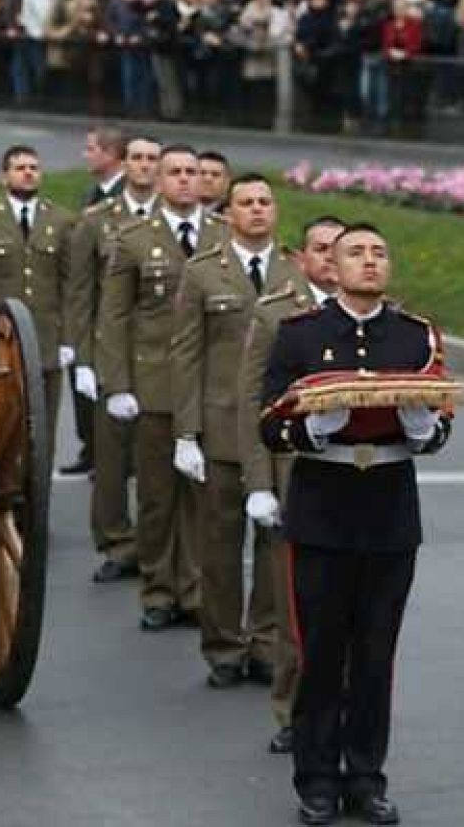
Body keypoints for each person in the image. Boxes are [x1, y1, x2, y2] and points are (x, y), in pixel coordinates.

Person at [259, 223, 452, 826]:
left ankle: (366, 777)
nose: (370, 262)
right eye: (355, 254)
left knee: (375, 655)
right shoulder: (300, 334)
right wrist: (316, 425)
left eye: (378, 253)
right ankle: (316, 779)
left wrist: (422, 422)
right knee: (321, 651)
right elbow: (270, 422)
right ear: (330, 268)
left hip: (390, 511)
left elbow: (439, 429)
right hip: (322, 507)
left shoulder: (415, 336)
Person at [170, 173, 300, 689]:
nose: (257, 211)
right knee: (221, 546)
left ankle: (266, 640)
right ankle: (223, 644)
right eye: (246, 203)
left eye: (265, 202)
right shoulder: (204, 273)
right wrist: (185, 431)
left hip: (276, 432)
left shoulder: (295, 272)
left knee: (275, 545)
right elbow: (186, 354)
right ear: (229, 214)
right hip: (221, 429)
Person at [98, 144, 227, 630]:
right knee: (156, 497)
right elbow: (114, 318)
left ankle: (193, 590)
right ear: (160, 181)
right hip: (153, 385)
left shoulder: (220, 234)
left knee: (201, 496)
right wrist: (118, 384)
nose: (184, 181)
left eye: (192, 173)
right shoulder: (133, 239)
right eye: (174, 172)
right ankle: (157, 590)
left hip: (208, 387)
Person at [238, 215, 345, 757]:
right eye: (320, 249)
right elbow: (255, 401)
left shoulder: (373, 317)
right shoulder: (277, 313)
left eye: (339, 250)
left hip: (352, 483)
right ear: (300, 258)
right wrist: (259, 481)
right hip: (292, 478)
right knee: (296, 613)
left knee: (348, 614)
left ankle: (343, 713)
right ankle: (292, 712)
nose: (330, 259)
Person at [65, 135, 161, 584]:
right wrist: (82, 358)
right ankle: (116, 542)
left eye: (152, 160)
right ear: (126, 165)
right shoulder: (97, 221)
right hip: (112, 350)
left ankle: (155, 542)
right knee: (112, 457)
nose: (145, 166)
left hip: (163, 354)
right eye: (138, 158)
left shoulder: (177, 222)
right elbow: (81, 294)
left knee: (158, 455)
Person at [0, 144, 74, 432]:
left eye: (33, 168)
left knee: (43, 425)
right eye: (20, 168)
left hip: (46, 338)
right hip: (1, 338)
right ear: (4, 177)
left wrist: (68, 339)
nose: (28, 174)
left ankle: (40, 479)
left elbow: (69, 284)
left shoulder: (60, 220)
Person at [63, 125, 127, 477]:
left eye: (91, 149)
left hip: (112, 307)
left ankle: (110, 456)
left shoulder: (119, 199)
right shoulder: (92, 194)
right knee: (84, 383)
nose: (85, 155)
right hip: (89, 307)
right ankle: (91, 449)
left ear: (111, 154)